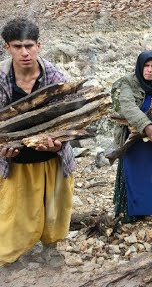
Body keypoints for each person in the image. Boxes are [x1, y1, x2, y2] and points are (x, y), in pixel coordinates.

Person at [0, 18, 74, 267]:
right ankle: (12, 255)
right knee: (13, 212)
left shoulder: (55, 77)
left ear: (39, 45)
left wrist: (60, 143)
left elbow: (70, 119)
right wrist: (3, 149)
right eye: (17, 46)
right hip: (14, 161)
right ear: (7, 48)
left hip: (51, 159)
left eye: (29, 45)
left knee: (52, 208)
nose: (24, 52)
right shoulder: (1, 80)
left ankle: (50, 249)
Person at [110, 51, 152, 222]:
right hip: (133, 140)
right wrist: (146, 126)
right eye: (146, 65)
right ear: (139, 66)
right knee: (133, 175)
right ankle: (130, 211)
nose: (150, 70)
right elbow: (127, 106)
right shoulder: (127, 83)